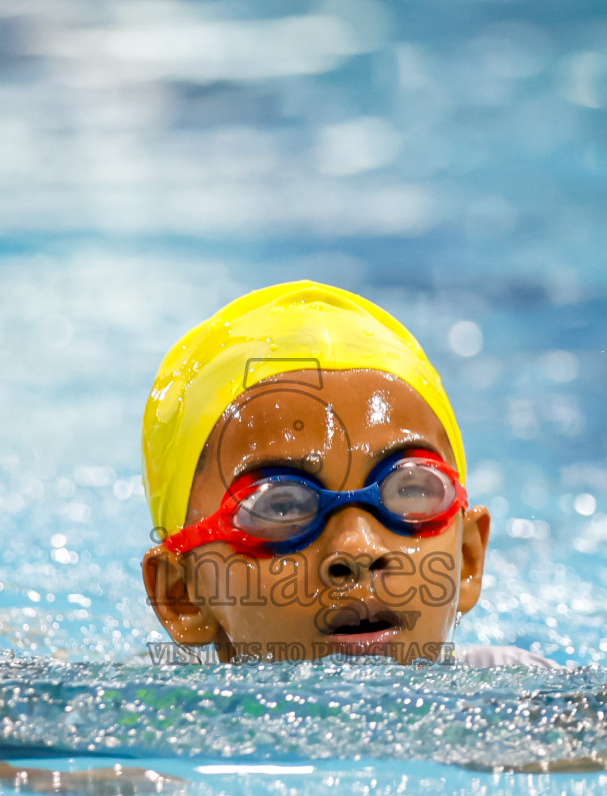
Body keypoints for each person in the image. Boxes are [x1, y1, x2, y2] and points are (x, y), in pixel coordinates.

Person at [141, 280, 555, 669]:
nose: (358, 549)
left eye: (408, 489)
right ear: (183, 596)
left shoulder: (540, 709)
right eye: (282, 505)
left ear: (467, 559)